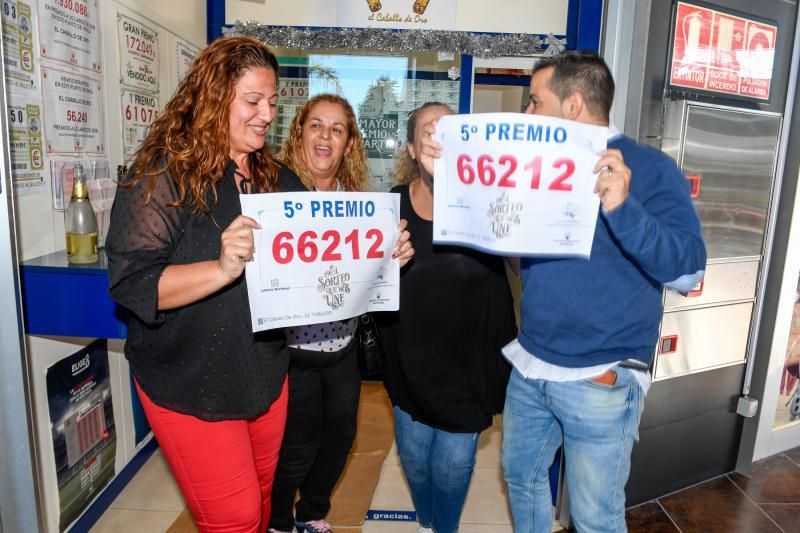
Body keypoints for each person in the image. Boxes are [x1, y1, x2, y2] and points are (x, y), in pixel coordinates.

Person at [417, 52, 707, 532]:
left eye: (535, 101)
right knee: (523, 480)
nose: (527, 114)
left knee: (594, 517)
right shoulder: (529, 167)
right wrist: (445, 171)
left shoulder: (652, 170)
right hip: (531, 368)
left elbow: (689, 273)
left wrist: (624, 209)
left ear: (573, 106)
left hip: (600, 376)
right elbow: (509, 248)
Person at [105, 36, 307, 532]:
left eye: (273, 102)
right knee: (235, 519)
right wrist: (220, 267)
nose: (267, 114)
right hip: (189, 379)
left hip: (263, 372)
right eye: (253, 101)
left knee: (261, 501)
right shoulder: (160, 176)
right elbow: (134, 284)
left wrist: (378, 255)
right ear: (214, 98)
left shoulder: (276, 178)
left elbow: (317, 254)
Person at [268, 94, 414, 533]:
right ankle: (276, 522)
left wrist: (394, 258)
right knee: (297, 448)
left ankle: (311, 512)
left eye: (336, 129)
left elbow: (369, 271)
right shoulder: (274, 193)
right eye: (316, 125)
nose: (325, 136)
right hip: (292, 352)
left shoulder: (359, 205)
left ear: (349, 142)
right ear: (300, 133)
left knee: (341, 441)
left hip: (343, 347)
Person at [378, 102, 516, 533]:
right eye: (429, 132)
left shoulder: (491, 200)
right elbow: (363, 285)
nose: (440, 140)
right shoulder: (388, 208)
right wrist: (384, 264)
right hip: (408, 364)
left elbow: (520, 265)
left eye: (451, 132)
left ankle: (443, 528)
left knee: (453, 469)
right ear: (412, 150)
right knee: (416, 463)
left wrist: (509, 223)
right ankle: (427, 522)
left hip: (470, 369)